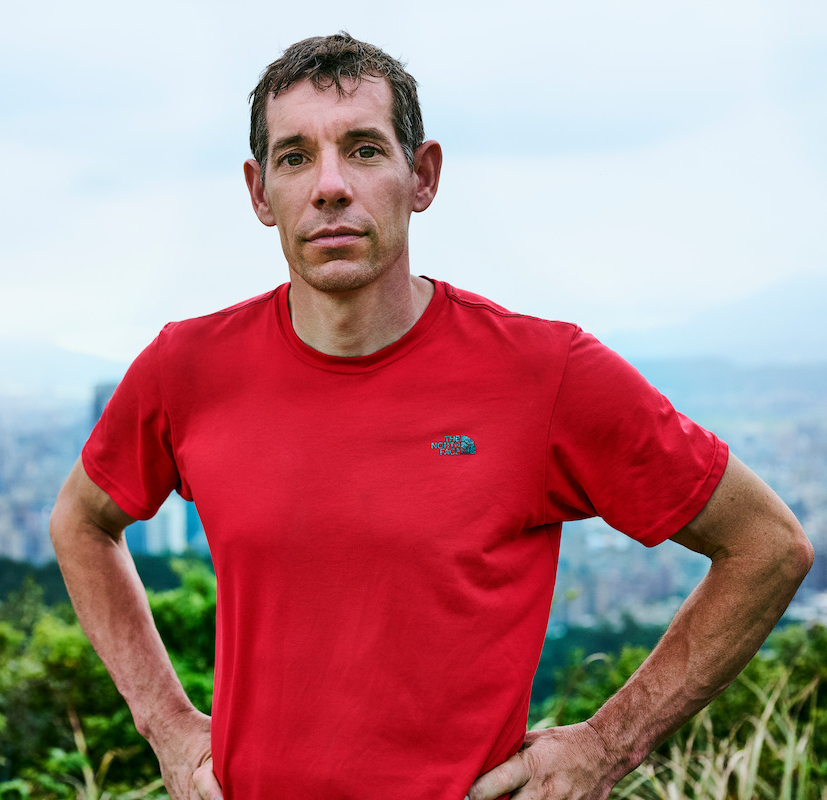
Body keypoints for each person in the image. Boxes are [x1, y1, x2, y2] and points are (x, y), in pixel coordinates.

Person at [49, 32, 813, 800]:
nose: (330, 186)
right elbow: (80, 521)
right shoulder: (188, 367)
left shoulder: (545, 374)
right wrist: (171, 730)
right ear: (258, 193)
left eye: (365, 149)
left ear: (424, 175)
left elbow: (767, 547)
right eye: (295, 157)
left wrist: (607, 746)